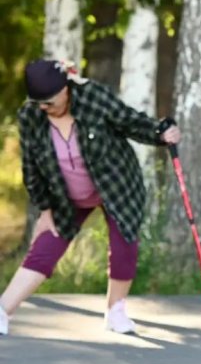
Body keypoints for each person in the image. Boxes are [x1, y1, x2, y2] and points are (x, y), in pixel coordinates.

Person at [0, 59, 181, 336]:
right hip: (65, 196)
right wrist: (45, 211)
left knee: (124, 243)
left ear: (65, 89)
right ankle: (3, 311)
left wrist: (160, 133)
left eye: (48, 102)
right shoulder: (30, 117)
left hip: (115, 185)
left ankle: (115, 311)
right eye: (38, 103)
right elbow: (30, 169)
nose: (44, 108)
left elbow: (129, 121)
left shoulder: (93, 98)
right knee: (44, 248)